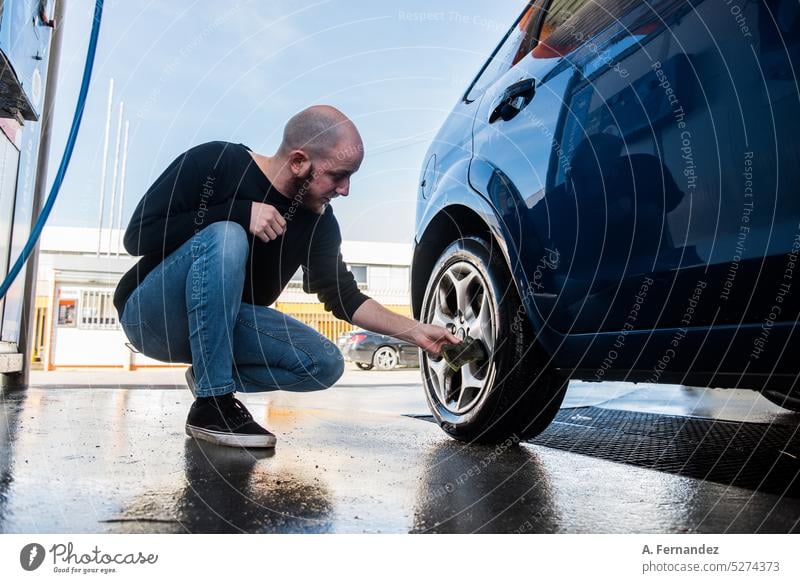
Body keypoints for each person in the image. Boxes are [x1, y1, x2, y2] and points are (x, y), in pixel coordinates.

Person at [113, 105, 458, 449]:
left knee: (323, 363)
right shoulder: (218, 162)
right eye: (337, 175)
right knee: (227, 235)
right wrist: (238, 213)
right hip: (151, 315)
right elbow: (138, 236)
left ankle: (208, 377)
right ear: (298, 162)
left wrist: (415, 331)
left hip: (223, 328)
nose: (345, 189)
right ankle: (213, 403)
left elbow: (344, 296)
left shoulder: (319, 222)